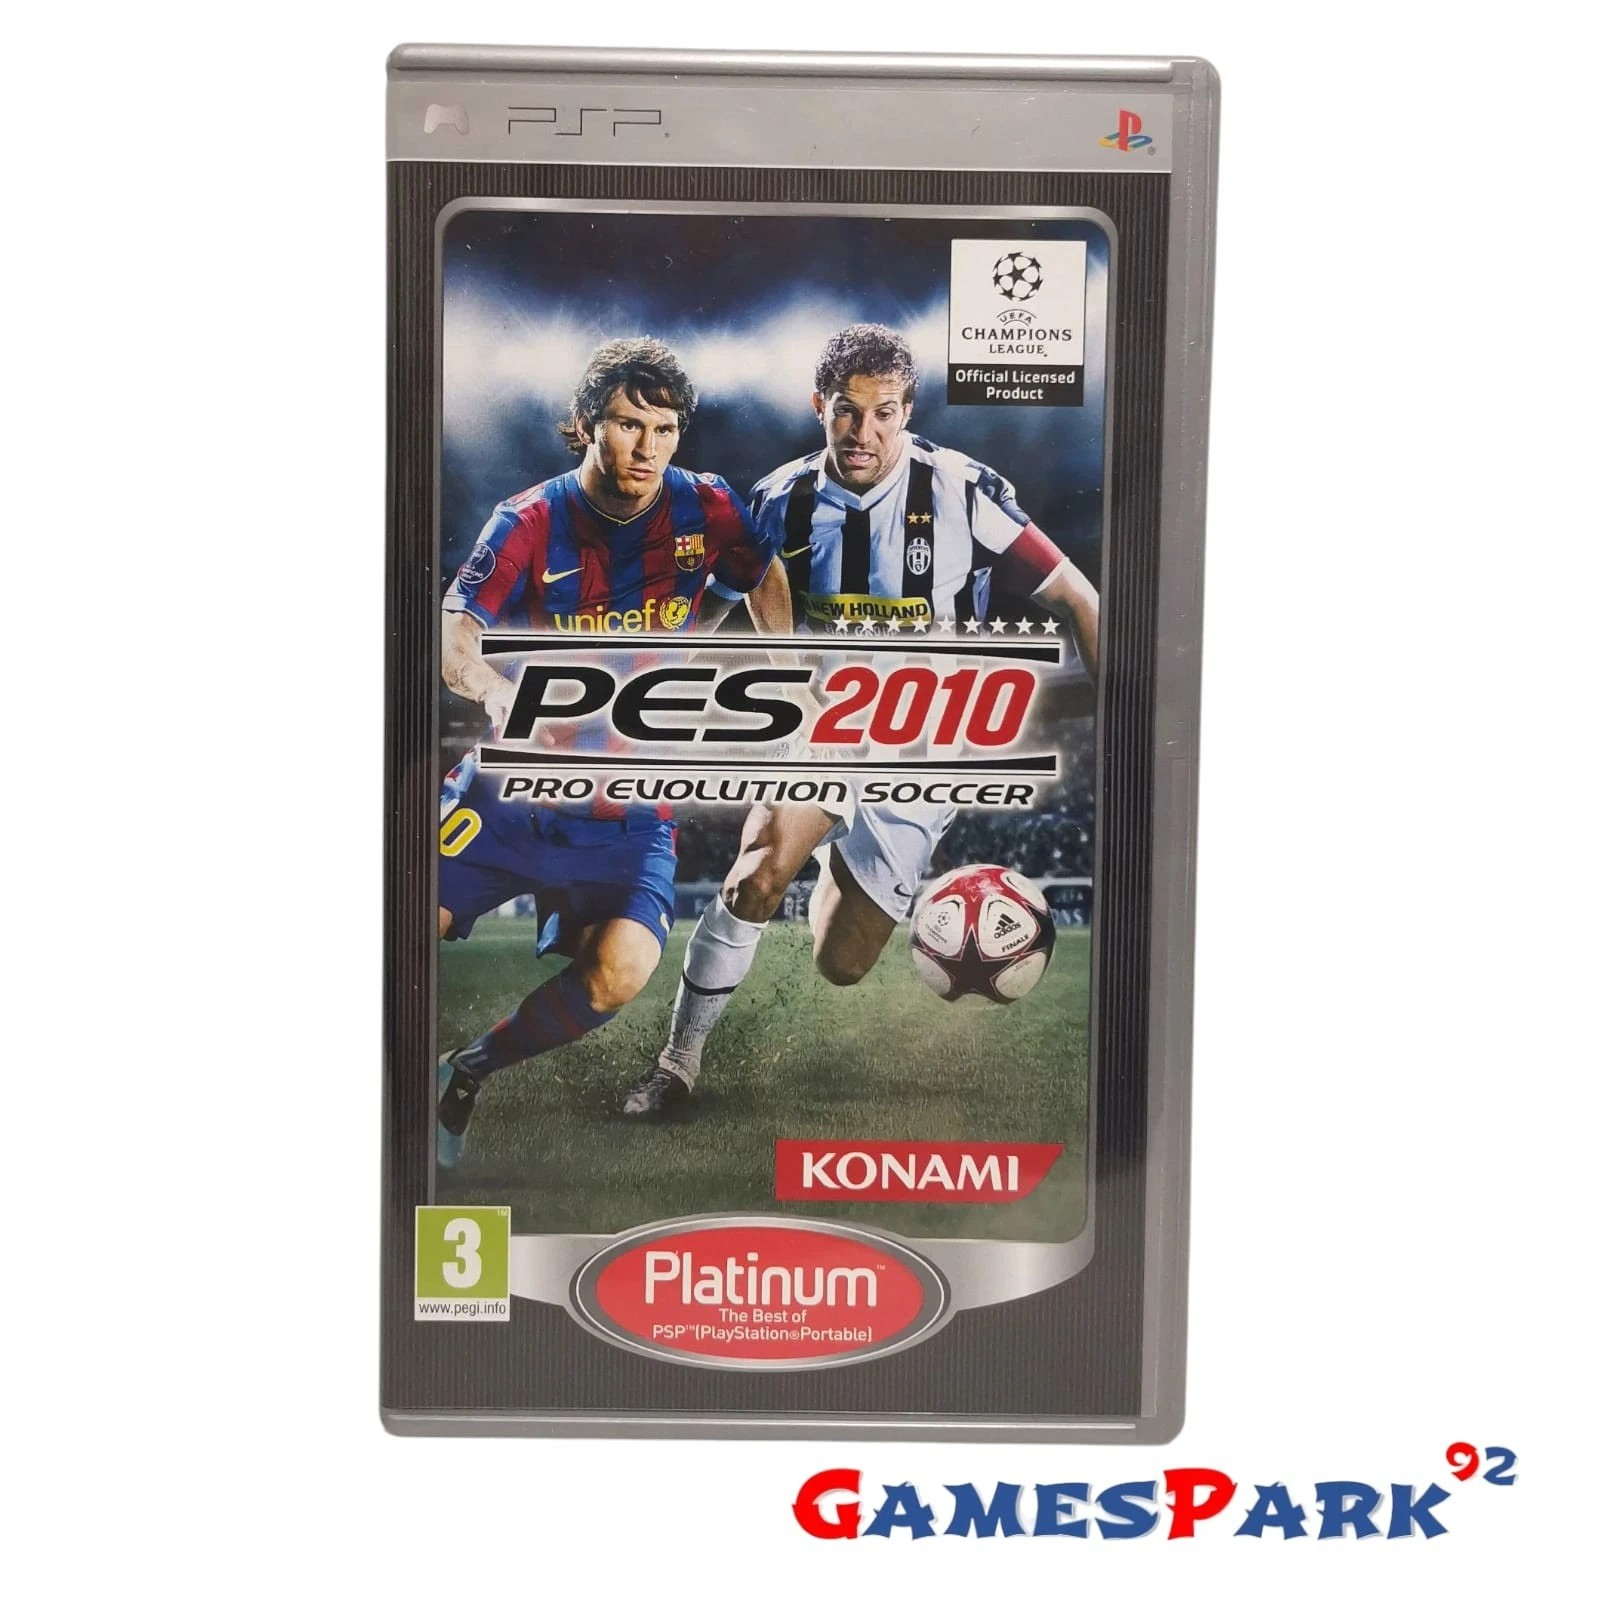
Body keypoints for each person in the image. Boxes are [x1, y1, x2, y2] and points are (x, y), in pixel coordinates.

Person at [624, 322, 1099, 1115]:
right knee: (755, 878)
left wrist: (1135, 723)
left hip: (929, 747)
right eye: (847, 410)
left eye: (883, 414)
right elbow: (711, 605)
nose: (863, 432)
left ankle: (833, 863)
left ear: (908, 412)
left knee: (841, 963)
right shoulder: (778, 500)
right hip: (824, 726)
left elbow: (1079, 598)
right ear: (820, 406)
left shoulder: (964, 492)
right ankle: (677, 1063)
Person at [436, 337, 776, 1166]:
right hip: (511, 799)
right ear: (587, 423)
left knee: (619, 973)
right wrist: (495, 692)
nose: (648, 448)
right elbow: (455, 636)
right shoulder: (529, 520)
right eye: (628, 424)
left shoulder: (708, 506)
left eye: (665, 429)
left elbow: (758, 570)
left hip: (629, 814)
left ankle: (466, 1071)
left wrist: (780, 661)